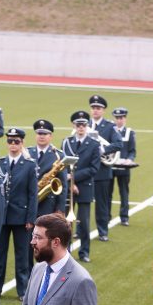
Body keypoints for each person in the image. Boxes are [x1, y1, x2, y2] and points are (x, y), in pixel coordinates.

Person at [0, 128, 38, 299]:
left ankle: (23, 290)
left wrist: (31, 218)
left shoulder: (29, 165)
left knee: (22, 257)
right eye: (10, 141)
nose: (13, 144)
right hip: (2, 218)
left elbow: (33, 194)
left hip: (21, 217)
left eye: (16, 141)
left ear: (22, 143)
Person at [62, 110, 100, 262]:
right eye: (78, 125)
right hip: (67, 188)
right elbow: (62, 164)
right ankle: (66, 253)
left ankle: (84, 252)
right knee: (65, 223)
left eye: (83, 125)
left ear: (87, 126)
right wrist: (70, 183)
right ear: (74, 125)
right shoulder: (66, 142)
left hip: (84, 188)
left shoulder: (94, 144)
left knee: (83, 223)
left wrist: (74, 179)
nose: (81, 127)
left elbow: (94, 168)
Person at [88, 95, 123, 241]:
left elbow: (118, 144)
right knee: (83, 204)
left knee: (101, 204)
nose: (96, 110)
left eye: (99, 108)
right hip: (86, 171)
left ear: (103, 110)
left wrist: (103, 150)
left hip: (102, 171)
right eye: (94, 108)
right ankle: (80, 230)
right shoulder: (84, 125)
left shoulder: (109, 126)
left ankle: (103, 231)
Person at [29, 119, 69, 218]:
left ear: (50, 136)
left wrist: (60, 208)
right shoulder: (27, 153)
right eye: (39, 133)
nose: (41, 136)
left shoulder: (58, 155)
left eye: (45, 134)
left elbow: (63, 185)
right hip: (29, 202)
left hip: (49, 203)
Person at [111, 107, 137, 226]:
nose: (119, 120)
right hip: (110, 167)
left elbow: (132, 151)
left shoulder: (129, 132)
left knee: (124, 193)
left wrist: (129, 160)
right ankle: (107, 216)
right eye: (117, 118)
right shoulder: (110, 130)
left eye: (121, 118)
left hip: (124, 168)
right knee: (107, 193)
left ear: (125, 118)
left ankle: (124, 217)